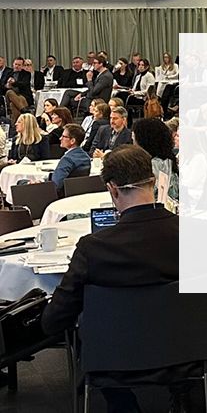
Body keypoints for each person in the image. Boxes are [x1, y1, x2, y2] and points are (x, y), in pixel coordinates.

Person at [41, 145, 187, 413]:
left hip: (113, 359)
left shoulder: (93, 248)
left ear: (113, 190)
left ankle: (124, 406)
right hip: (185, 351)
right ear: (154, 180)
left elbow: (54, 320)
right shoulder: (195, 233)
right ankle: (183, 394)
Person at [132, 118, 178, 201]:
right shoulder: (167, 160)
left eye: (135, 140)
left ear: (144, 141)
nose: (133, 145)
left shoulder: (154, 165)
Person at [48, 123, 90, 194]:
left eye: (63, 136)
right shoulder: (86, 157)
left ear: (72, 141)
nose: (60, 138)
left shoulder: (67, 159)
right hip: (78, 194)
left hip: (61, 196)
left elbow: (56, 185)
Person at [5, 57, 32, 122]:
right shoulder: (8, 73)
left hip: (22, 95)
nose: (16, 66)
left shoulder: (26, 74)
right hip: (10, 96)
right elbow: (2, 85)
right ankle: (23, 110)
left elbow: (24, 84)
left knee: (13, 105)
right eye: (15, 64)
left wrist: (14, 82)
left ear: (22, 66)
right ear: (13, 64)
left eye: (19, 65)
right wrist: (7, 85)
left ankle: (15, 125)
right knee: (9, 92)